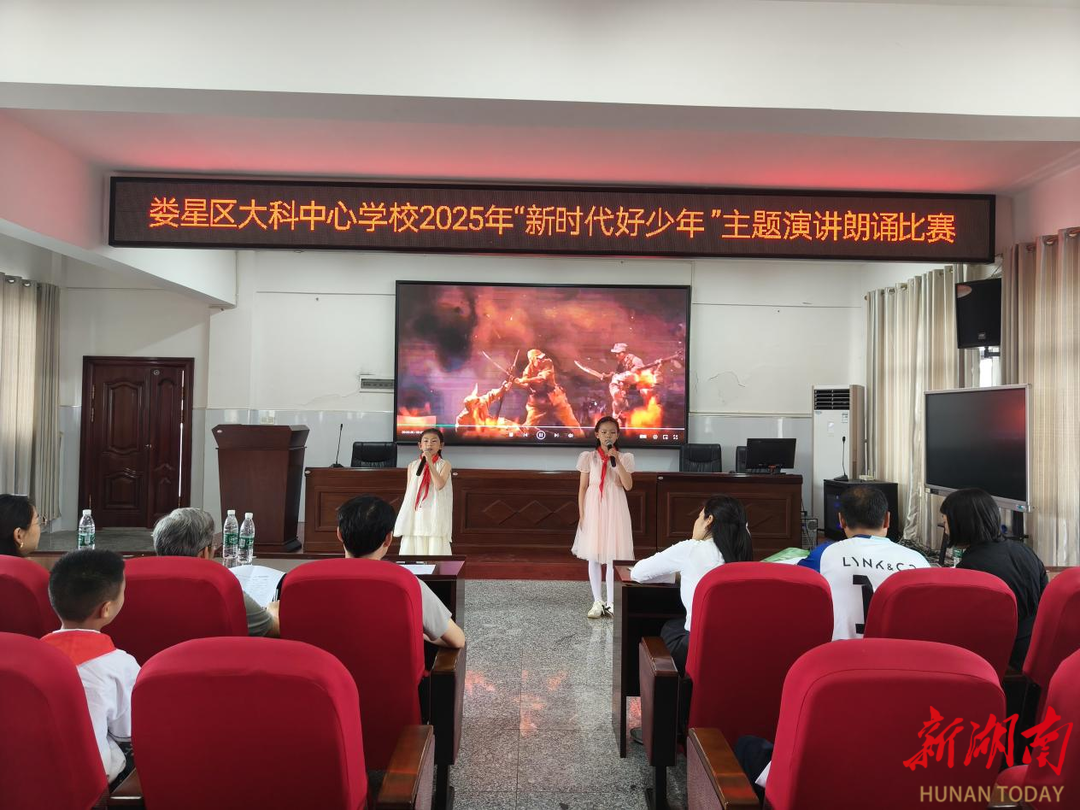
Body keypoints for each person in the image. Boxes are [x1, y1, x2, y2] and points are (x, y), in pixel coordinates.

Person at [41, 549, 140, 788]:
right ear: (106, 609)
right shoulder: (121, 665)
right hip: (90, 781)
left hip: (27, 771)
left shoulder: (30, 657)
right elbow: (127, 731)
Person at [629, 495, 753, 672]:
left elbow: (638, 573)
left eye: (699, 516)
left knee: (670, 629)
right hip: (737, 648)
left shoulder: (692, 549)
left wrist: (677, 575)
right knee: (675, 625)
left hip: (698, 649)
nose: (695, 522)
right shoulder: (744, 556)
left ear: (709, 520)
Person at [799, 486, 929, 639]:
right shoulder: (918, 560)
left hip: (842, 651)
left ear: (841, 520)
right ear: (887, 520)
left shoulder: (824, 554)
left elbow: (797, 585)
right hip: (901, 652)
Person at [941, 488, 1048, 670]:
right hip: (1039, 646)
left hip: (1006, 655)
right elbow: (1045, 598)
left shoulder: (970, 567)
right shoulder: (1023, 550)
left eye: (945, 522)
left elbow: (969, 625)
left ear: (962, 524)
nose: (945, 529)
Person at [340, 494, 464, 648]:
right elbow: (457, 640)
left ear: (339, 534)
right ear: (388, 539)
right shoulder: (408, 584)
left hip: (326, 664)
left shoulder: (313, 579)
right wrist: (418, 633)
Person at [151, 507, 279, 637]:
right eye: (213, 546)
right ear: (203, 554)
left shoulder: (142, 586)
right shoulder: (223, 591)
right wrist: (273, 609)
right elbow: (274, 629)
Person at [572, 416, 634, 618]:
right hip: (594, 508)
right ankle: (597, 601)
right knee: (594, 554)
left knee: (611, 555)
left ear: (618, 435)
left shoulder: (624, 458)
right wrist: (582, 514)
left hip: (615, 508)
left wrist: (616, 461)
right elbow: (582, 488)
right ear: (597, 434)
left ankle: (611, 602)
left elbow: (628, 485)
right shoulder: (588, 458)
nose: (608, 435)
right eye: (604, 432)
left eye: (612, 432)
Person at [393, 428, 453, 555]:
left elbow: (439, 485)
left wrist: (430, 463)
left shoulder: (445, 464)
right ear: (420, 445)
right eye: (425, 441)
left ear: (441, 445)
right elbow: (409, 492)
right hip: (418, 510)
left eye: (434, 441)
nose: (429, 444)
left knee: (434, 536)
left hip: (435, 508)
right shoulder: (412, 465)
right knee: (417, 533)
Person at [514, 349, 582, 435]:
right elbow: (526, 386)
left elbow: (541, 379)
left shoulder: (548, 362)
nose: (542, 360)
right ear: (532, 360)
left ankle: (581, 438)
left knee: (573, 424)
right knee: (528, 426)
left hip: (556, 398)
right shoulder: (528, 370)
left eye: (542, 357)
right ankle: (538, 437)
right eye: (538, 358)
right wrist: (518, 382)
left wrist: (524, 380)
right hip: (538, 402)